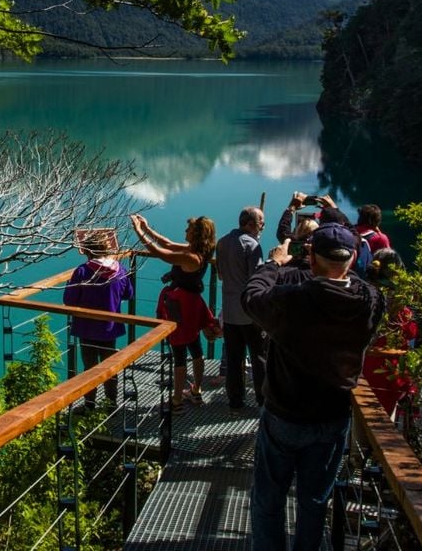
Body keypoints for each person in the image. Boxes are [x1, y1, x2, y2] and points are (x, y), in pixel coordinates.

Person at [242, 222, 386, 551]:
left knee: (268, 500)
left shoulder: (293, 300)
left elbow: (252, 299)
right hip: (333, 416)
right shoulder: (370, 300)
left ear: (311, 255)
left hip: (284, 414)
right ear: (351, 259)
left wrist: (273, 265)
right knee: (315, 501)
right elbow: (360, 288)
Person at [131, 213, 220, 412]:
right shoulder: (200, 251)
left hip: (181, 307)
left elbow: (159, 251)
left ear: (196, 235)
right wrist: (146, 227)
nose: (185, 232)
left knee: (179, 352)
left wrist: (137, 231)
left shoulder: (189, 256)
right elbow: (168, 243)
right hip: (194, 303)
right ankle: (196, 391)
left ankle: (177, 400)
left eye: (188, 230)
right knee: (195, 349)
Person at [63, 230, 135, 412]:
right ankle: (111, 404)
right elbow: (129, 294)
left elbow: (69, 300)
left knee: (89, 368)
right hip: (110, 328)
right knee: (109, 367)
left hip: (86, 327)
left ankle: (89, 405)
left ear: (87, 251)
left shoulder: (82, 271)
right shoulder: (121, 270)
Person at [214, 206, 266, 414]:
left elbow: (220, 275)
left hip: (229, 310)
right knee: (259, 357)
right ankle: (263, 402)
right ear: (251, 224)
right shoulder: (252, 245)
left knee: (234, 359)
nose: (263, 226)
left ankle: (235, 402)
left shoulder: (222, 242)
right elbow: (257, 281)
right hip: (250, 311)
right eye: (261, 223)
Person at [362, 248, 418, 422]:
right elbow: (410, 336)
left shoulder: (363, 298)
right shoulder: (402, 311)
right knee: (384, 427)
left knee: (361, 430)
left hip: (362, 373)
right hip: (390, 377)